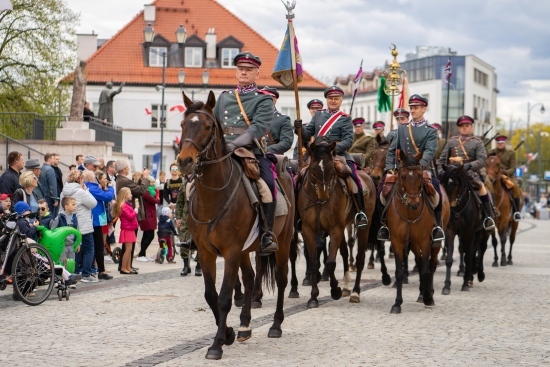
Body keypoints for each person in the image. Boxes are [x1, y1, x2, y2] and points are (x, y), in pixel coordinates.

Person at [213, 51, 278, 254]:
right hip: (221, 152)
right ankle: (193, 233)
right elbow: (214, 125)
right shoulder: (224, 98)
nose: (243, 72)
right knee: (190, 183)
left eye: (248, 70)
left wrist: (235, 144)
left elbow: (257, 128)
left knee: (267, 184)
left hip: (249, 151)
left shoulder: (263, 100)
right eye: (240, 69)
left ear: (256, 73)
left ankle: (267, 234)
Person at [296, 85, 368, 228]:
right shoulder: (318, 115)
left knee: (354, 177)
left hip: (338, 154)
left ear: (341, 100)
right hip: (317, 155)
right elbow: (307, 134)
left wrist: (332, 150)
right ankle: (298, 216)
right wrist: (298, 128)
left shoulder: (345, 118)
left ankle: (360, 212)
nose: (333, 101)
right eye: (330, 98)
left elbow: (348, 140)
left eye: (336, 98)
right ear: (327, 99)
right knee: (299, 177)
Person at [378, 95, 446, 243]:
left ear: (423, 109)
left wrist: (420, 166)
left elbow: (429, 151)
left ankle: (437, 226)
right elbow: (391, 150)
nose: (413, 110)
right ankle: (384, 225)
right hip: (402, 170)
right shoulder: (402, 128)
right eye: (412, 107)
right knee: (383, 190)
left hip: (421, 169)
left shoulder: (431, 131)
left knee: (436, 191)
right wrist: (389, 168)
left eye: (416, 108)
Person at [438, 115, 496, 232]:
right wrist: (441, 171)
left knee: (481, 187)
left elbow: (482, 160)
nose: (465, 128)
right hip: (452, 173)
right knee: (438, 190)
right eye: (462, 126)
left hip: (470, 172)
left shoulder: (477, 142)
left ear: (472, 127)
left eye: (467, 126)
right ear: (459, 128)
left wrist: (469, 166)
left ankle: (488, 216)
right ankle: (437, 219)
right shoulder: (451, 141)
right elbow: (442, 160)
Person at [60, 170, 98, 283]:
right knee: (89, 249)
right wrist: (86, 190)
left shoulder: (64, 191)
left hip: (70, 225)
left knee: (76, 249)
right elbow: (93, 203)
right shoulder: (80, 191)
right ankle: (86, 274)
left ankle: (75, 271)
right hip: (83, 226)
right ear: (79, 179)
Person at [114, 160, 150, 272]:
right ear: (124, 169)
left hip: (130, 215)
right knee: (129, 246)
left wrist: (140, 180)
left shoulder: (122, 179)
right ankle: (125, 266)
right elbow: (140, 190)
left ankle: (127, 265)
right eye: (128, 167)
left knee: (129, 246)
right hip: (130, 217)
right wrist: (145, 178)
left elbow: (135, 188)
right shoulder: (123, 180)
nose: (129, 169)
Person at [85, 170, 115, 280]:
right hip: (95, 221)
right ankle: (100, 270)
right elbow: (108, 197)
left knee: (97, 246)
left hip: (98, 219)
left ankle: (96, 269)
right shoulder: (92, 188)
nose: (106, 180)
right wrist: (111, 187)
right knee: (98, 246)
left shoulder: (93, 187)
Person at [488, 135, 522, 221]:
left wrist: (505, 172)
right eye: (498, 142)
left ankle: (516, 212)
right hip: (493, 174)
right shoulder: (490, 152)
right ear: (496, 143)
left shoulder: (511, 153)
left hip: (507, 175)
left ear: (505, 143)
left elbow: (513, 168)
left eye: (502, 142)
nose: (500, 144)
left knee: (515, 187)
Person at [176, 175, 201, 276]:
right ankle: (186, 265)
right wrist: (178, 217)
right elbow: (180, 201)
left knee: (200, 240)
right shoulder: (184, 183)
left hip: (199, 215)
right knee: (183, 239)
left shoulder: (201, 180)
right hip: (186, 216)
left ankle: (199, 265)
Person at [260, 86, 293, 154]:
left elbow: (286, 142)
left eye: (267, 98)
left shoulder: (283, 119)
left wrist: (267, 150)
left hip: (272, 154)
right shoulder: (252, 116)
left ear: (274, 99)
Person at [113, 187, 138, 274]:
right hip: (127, 229)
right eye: (130, 193)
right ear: (125, 195)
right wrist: (136, 210)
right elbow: (130, 217)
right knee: (128, 249)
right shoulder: (123, 206)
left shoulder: (126, 205)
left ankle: (128, 267)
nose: (131, 195)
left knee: (130, 249)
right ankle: (123, 267)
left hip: (129, 228)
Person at [50, 196, 80, 267]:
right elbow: (53, 230)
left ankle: (70, 276)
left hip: (72, 245)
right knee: (63, 263)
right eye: (73, 205)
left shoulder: (74, 217)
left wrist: (78, 243)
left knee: (71, 263)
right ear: (66, 206)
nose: (75, 206)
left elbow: (77, 231)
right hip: (62, 245)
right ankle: (62, 277)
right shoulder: (60, 217)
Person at [136, 176, 159, 262]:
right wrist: (157, 198)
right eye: (151, 182)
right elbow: (154, 201)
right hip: (147, 215)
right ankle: (141, 253)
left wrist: (157, 197)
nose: (153, 184)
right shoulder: (145, 192)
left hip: (150, 214)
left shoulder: (150, 191)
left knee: (146, 235)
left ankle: (143, 254)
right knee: (150, 236)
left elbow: (156, 198)